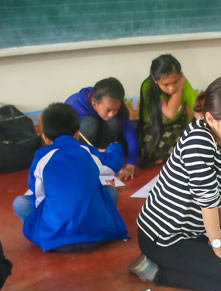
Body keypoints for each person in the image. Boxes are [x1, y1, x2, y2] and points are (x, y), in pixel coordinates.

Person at [130, 75, 221, 291]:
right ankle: (156, 272)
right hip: (164, 236)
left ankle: (199, 252)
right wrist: (219, 245)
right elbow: (208, 201)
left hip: (196, 230)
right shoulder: (198, 142)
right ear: (211, 120)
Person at [12, 102, 128, 253]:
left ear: (45, 138)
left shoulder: (41, 157)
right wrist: (114, 147)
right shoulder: (87, 151)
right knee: (110, 190)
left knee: (20, 203)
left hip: (56, 241)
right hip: (96, 237)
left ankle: (51, 229)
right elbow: (114, 164)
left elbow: (37, 194)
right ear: (78, 133)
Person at [65, 77, 138, 180]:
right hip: (82, 147)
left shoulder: (115, 106)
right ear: (94, 102)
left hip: (102, 144)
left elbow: (130, 133)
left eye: (116, 110)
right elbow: (65, 139)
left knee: (114, 121)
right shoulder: (74, 104)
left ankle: (106, 159)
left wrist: (131, 164)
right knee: (89, 124)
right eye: (108, 110)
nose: (112, 114)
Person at [138, 54, 198, 167]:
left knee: (192, 137)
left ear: (180, 75)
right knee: (148, 149)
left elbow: (198, 108)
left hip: (177, 125)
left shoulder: (183, 82)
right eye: (166, 84)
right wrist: (179, 87)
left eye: (175, 82)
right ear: (155, 80)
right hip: (153, 128)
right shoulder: (147, 86)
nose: (171, 88)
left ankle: (174, 154)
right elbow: (170, 113)